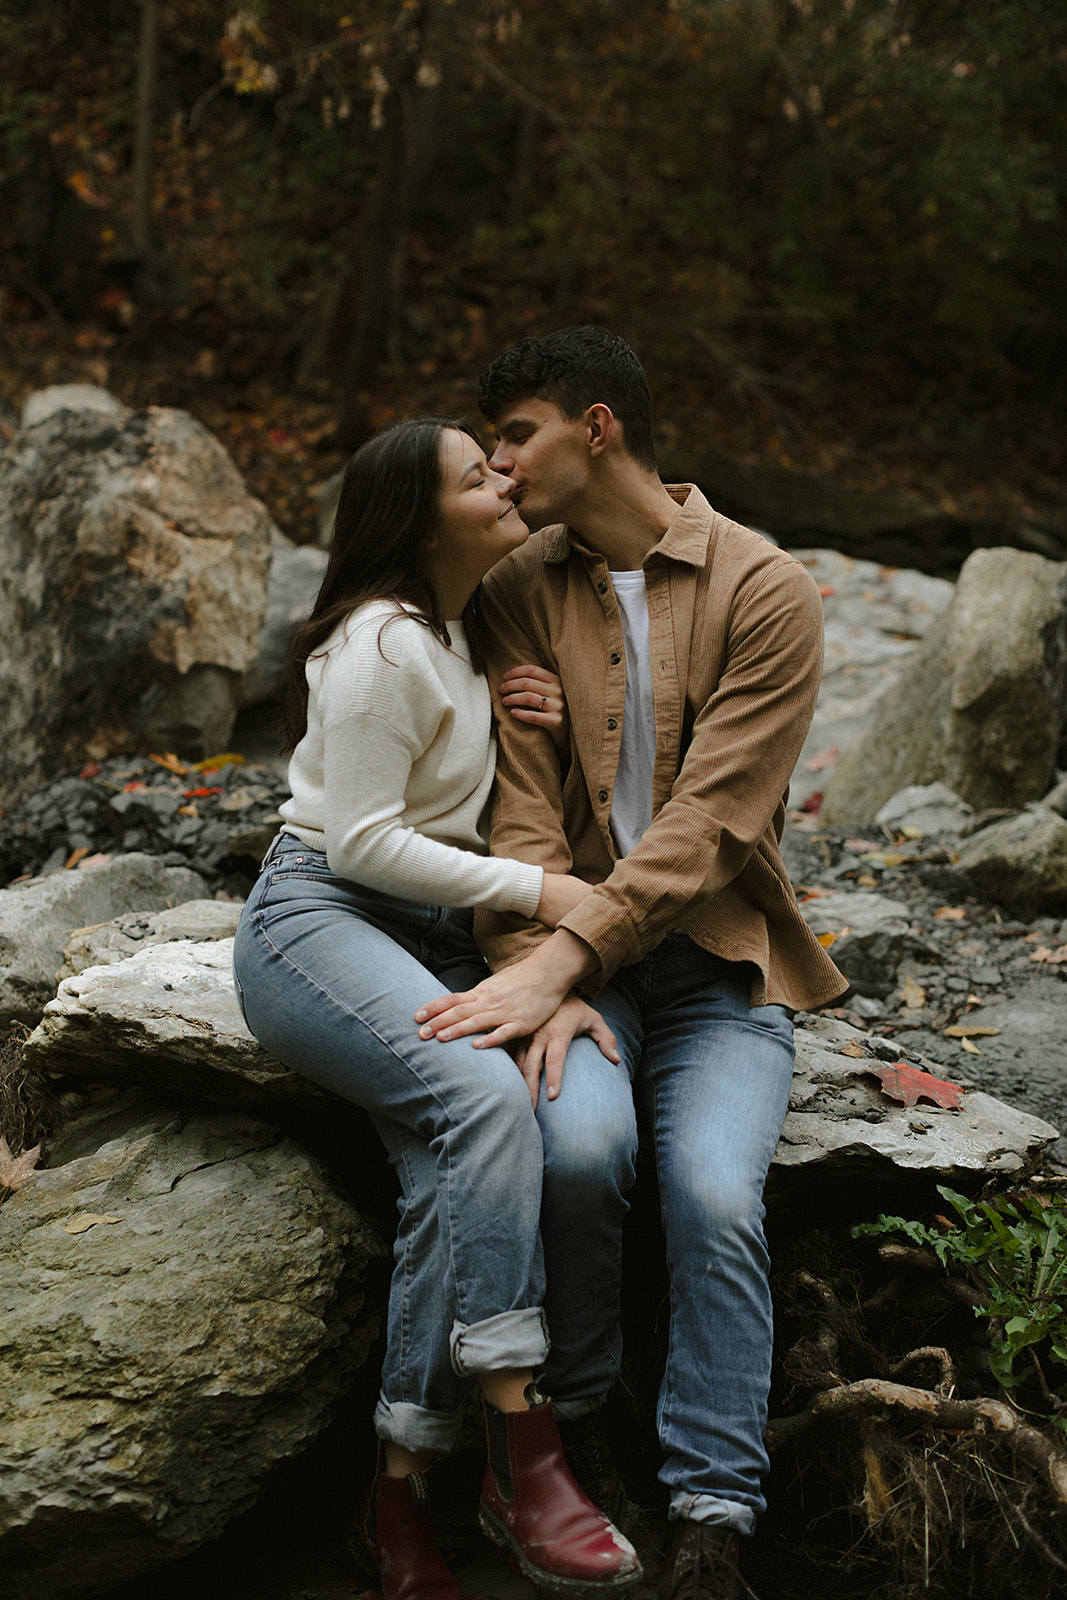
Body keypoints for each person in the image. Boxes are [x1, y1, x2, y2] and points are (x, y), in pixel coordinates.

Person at [412, 331, 848, 1600]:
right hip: (573, 961)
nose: (498, 465)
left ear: (596, 428)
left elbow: (709, 828)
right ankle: (582, 1433)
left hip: (717, 963)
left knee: (713, 1191)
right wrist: (543, 963)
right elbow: (521, 815)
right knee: (584, 1149)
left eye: (519, 436)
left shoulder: (763, 589)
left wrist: (561, 963)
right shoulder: (514, 588)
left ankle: (714, 1513)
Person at [232, 416, 643, 1599]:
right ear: (420, 522)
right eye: (477, 477)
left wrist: (537, 726)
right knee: (481, 1097)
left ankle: (397, 1492)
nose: (504, 480)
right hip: (315, 925)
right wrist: (544, 890)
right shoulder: (377, 646)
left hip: (416, 938)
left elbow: (454, 813)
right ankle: (528, 1446)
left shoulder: (456, 644)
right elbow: (360, 839)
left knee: (443, 1171)